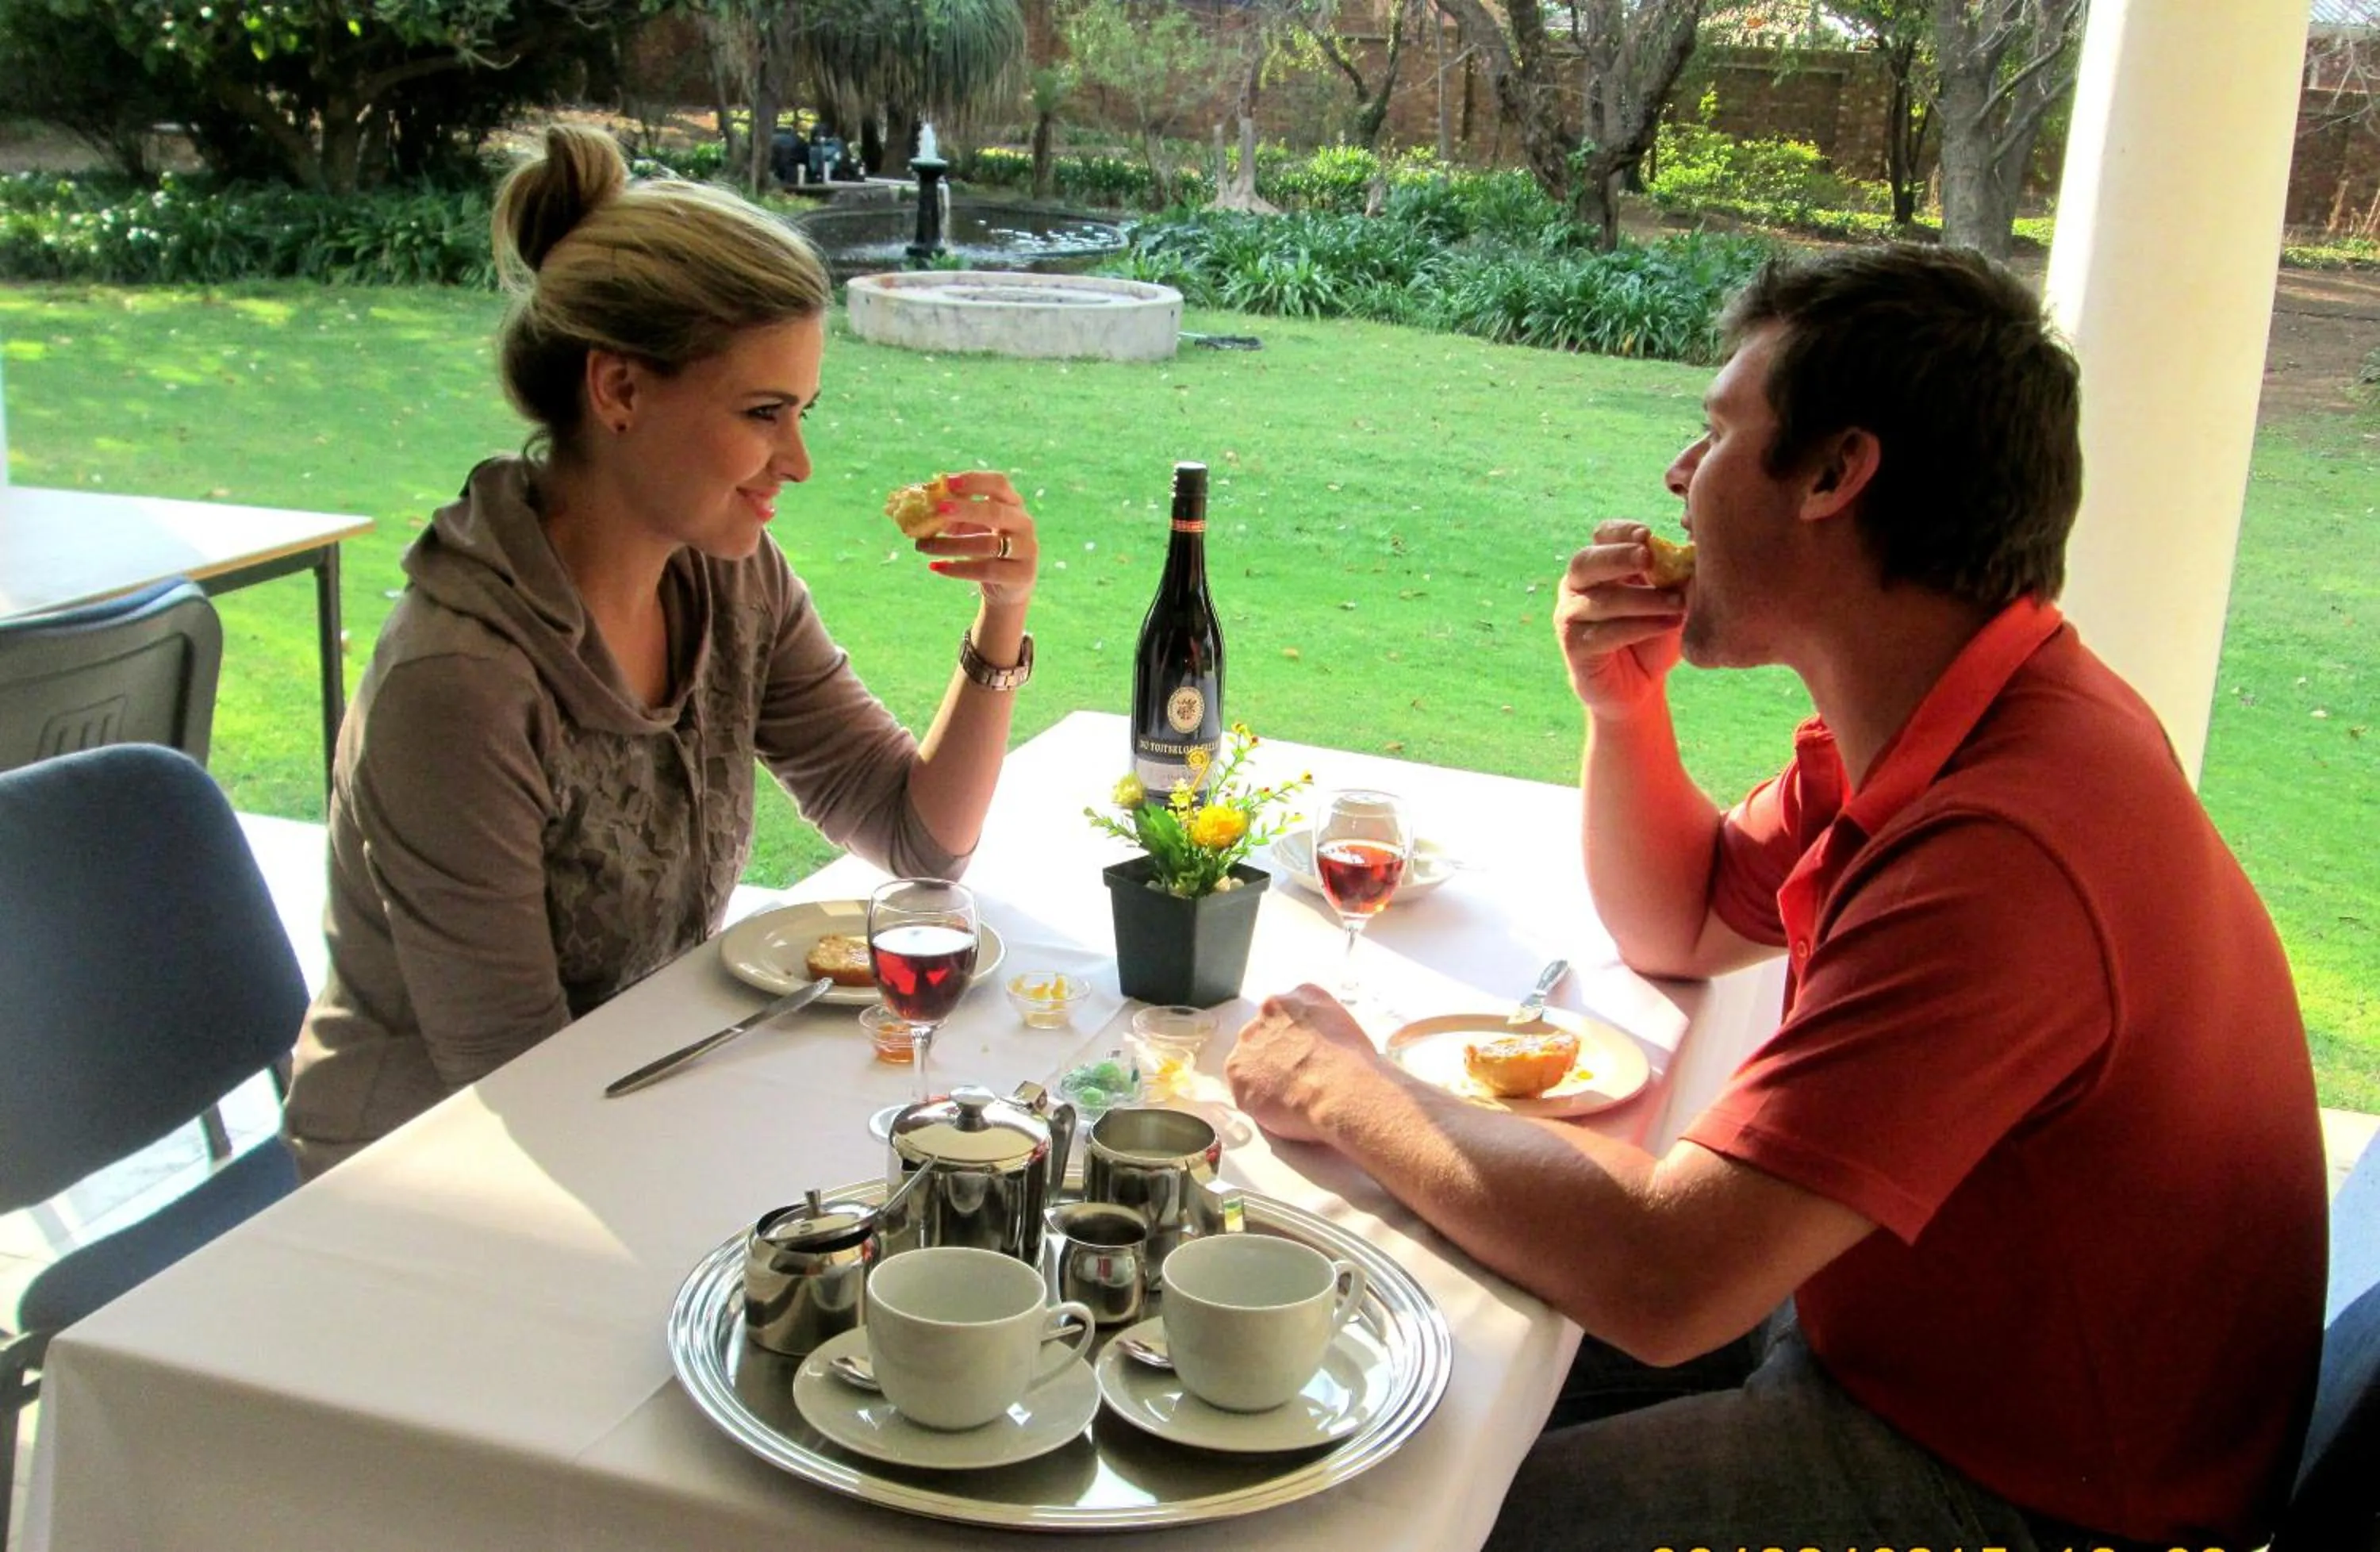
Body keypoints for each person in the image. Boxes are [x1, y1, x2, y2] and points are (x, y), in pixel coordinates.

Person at [1225, 244, 2327, 1551]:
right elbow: (1678, 920)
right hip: (1873, 1338)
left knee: (1401, 1513)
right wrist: (1623, 710)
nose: (1681, 482)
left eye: (1716, 431)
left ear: (1833, 473)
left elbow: (1670, 1275)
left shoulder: (2005, 846)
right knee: (1392, 1348)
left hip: (2030, 1493)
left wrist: (1349, 1087)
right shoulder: (1947, 710)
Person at [283, 126, 1041, 1177]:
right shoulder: (461, 683)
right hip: (418, 1184)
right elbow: (520, 1084)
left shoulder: (730, 579)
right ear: (620, 391)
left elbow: (919, 837)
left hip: (627, 1103)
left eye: (803, 412)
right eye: (764, 413)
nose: (800, 461)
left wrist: (1001, 613)